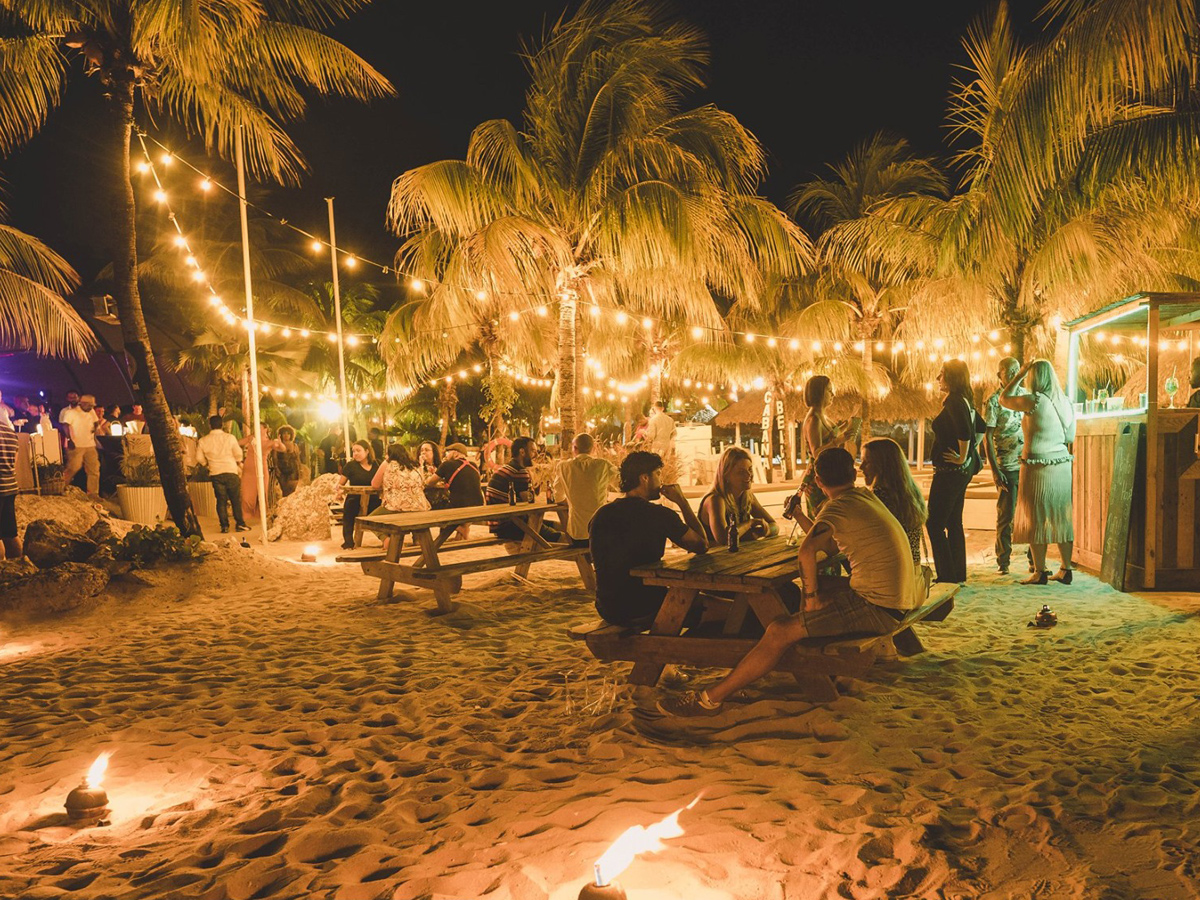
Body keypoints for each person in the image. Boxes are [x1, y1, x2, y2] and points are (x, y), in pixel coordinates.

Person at [659, 447, 921, 717]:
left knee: (778, 629)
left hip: (878, 608)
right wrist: (799, 516)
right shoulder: (863, 498)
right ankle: (814, 664)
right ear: (853, 474)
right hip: (897, 598)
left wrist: (812, 599)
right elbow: (831, 547)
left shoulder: (838, 506)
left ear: (818, 481)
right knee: (803, 593)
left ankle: (710, 699)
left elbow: (807, 551)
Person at [589, 450, 709, 627]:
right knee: (729, 611)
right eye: (658, 474)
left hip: (608, 607)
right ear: (644, 478)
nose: (661, 480)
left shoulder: (601, 514)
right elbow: (702, 545)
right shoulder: (659, 515)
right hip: (645, 606)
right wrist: (682, 501)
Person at [1001, 359, 1076, 585]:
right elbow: (1070, 437)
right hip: (1062, 465)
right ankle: (1066, 568)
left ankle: (1040, 570)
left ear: (1034, 377)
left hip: (1037, 466)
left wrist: (1018, 376)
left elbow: (1003, 399)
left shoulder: (1034, 400)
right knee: (1061, 517)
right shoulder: (1066, 402)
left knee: (1036, 517)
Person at [926, 359, 979, 584]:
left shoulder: (956, 402)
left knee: (934, 523)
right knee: (954, 521)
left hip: (950, 471)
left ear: (952, 377)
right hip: (960, 471)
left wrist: (961, 456)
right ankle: (957, 573)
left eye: (942, 374)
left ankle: (947, 574)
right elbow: (982, 428)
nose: (938, 378)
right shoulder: (964, 401)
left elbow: (966, 432)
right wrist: (968, 455)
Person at [983, 357, 1027, 574]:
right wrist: (994, 469)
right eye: (1007, 372)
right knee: (1006, 515)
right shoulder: (993, 401)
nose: (1012, 376)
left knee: (1029, 515)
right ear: (999, 374)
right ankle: (1004, 562)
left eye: (1016, 371)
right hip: (1006, 465)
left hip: (1028, 463)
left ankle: (1033, 561)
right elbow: (987, 437)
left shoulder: (1027, 397)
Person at [861, 437, 926, 564]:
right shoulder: (910, 493)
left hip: (891, 570)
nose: (861, 467)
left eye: (866, 462)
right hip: (911, 568)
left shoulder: (880, 497)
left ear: (882, 466)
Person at [698, 446, 778, 545]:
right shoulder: (716, 500)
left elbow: (774, 525)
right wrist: (750, 524)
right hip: (710, 558)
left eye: (750, 469)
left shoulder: (748, 496)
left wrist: (766, 531)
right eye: (741, 472)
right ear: (726, 475)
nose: (748, 475)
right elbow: (724, 538)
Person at [798, 375, 854, 516]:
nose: (833, 395)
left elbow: (829, 434)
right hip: (819, 476)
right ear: (819, 392)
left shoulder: (823, 417)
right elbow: (816, 452)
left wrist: (846, 426)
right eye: (829, 391)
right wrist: (839, 440)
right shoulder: (814, 419)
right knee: (823, 517)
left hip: (828, 473)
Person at [553, 433, 619, 547]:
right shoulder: (603, 465)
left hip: (577, 534)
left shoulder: (563, 467)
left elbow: (558, 497)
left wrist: (572, 502)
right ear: (594, 448)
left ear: (574, 448)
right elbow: (622, 486)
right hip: (602, 532)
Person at [197, 415, 249, 533]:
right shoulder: (229, 438)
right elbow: (238, 453)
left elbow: (199, 458)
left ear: (210, 425)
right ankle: (240, 523)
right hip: (230, 470)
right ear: (222, 425)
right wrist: (238, 461)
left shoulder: (203, 440)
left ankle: (224, 526)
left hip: (215, 472)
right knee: (235, 499)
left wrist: (207, 464)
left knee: (221, 500)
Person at [337, 440, 380, 549]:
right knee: (349, 510)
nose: (355, 453)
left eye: (358, 450)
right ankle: (348, 542)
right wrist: (340, 492)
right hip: (355, 498)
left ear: (367, 451)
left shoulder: (376, 464)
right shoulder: (350, 466)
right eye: (353, 451)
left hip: (374, 498)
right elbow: (340, 484)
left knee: (380, 513)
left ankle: (386, 539)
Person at [59, 393, 102, 498]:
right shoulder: (71, 413)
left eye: (92, 406)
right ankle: (60, 487)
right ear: (82, 403)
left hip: (90, 444)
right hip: (76, 445)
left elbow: (96, 421)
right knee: (73, 468)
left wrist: (95, 427)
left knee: (94, 469)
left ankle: (93, 493)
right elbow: (65, 425)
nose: (91, 408)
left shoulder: (91, 411)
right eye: (89, 405)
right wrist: (69, 439)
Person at [370, 444, 431, 513]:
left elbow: (375, 484)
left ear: (390, 454)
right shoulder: (414, 465)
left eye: (386, 454)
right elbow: (423, 483)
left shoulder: (387, 463)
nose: (385, 456)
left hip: (397, 507)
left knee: (366, 520)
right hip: (420, 507)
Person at [0, 396, 22, 560]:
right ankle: (19, 566)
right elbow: (13, 464)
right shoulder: (10, 433)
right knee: (9, 533)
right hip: (9, 487)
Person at [417, 440, 448, 509]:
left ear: (434, 452)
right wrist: (421, 465)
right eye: (421, 450)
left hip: (442, 500)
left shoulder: (440, 466)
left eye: (427, 450)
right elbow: (422, 483)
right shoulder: (417, 467)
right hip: (426, 501)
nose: (423, 452)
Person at [273, 426, 302, 497]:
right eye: (284, 433)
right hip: (282, 471)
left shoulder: (295, 445)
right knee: (284, 491)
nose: (286, 435)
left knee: (293, 491)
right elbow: (274, 458)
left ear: (291, 435)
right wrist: (276, 469)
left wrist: (300, 470)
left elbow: (298, 459)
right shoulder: (277, 445)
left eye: (288, 433)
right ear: (281, 435)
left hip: (293, 471)